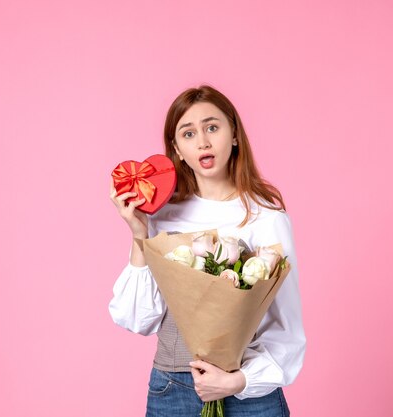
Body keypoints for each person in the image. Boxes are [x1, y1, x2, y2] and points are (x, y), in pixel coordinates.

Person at [109, 85, 305, 416]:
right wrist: (140, 234)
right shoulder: (163, 215)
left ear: (233, 134)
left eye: (212, 127)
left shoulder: (266, 217)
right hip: (174, 390)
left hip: (248, 397)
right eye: (188, 133)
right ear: (177, 150)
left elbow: (287, 327)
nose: (202, 141)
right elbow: (137, 319)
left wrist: (239, 381)